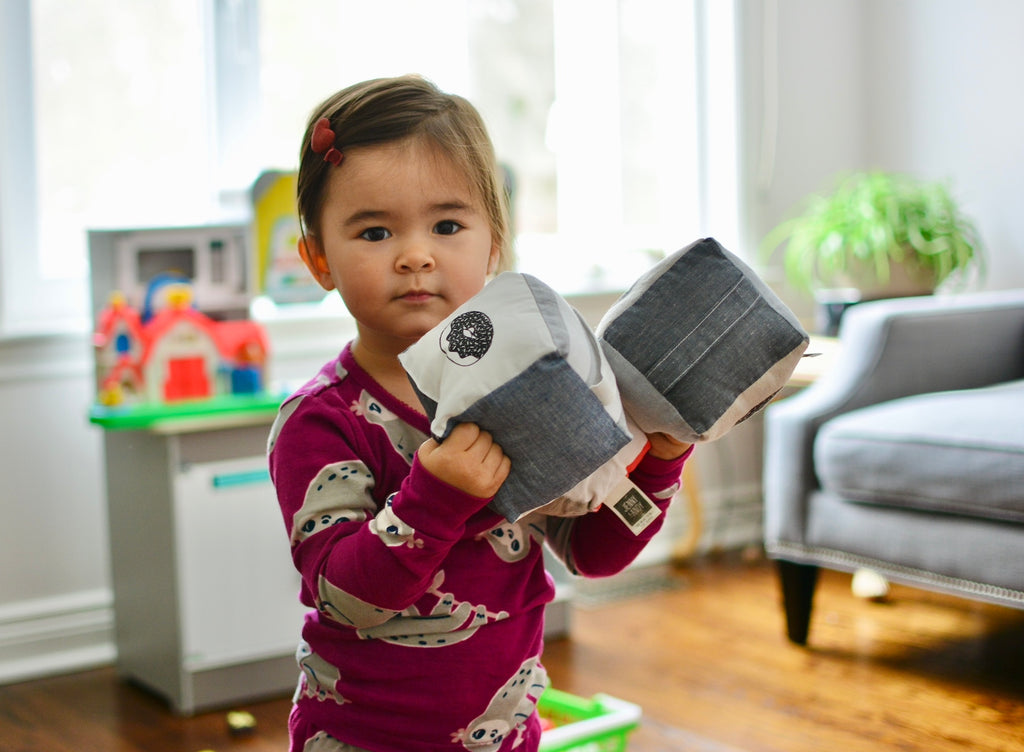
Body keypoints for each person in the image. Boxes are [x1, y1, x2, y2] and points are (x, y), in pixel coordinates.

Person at [268, 75, 693, 752]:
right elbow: (346, 596)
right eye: (374, 231)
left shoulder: (522, 386)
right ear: (319, 258)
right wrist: (435, 496)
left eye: (447, 225)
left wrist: (663, 461)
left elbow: (590, 551)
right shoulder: (321, 421)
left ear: (493, 243)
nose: (415, 254)